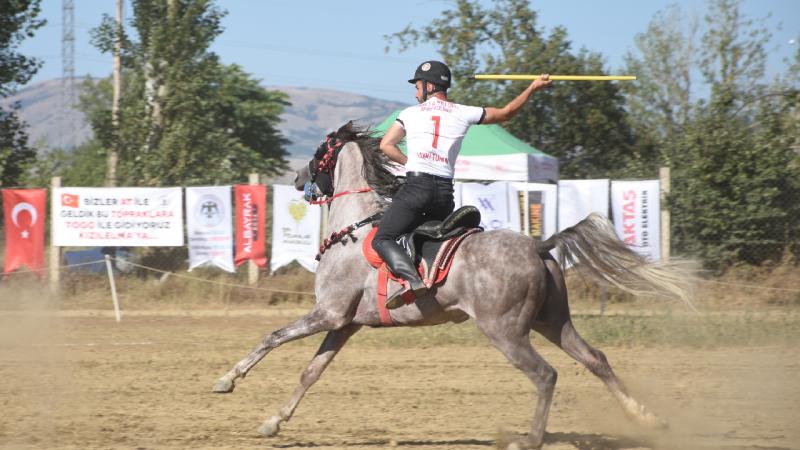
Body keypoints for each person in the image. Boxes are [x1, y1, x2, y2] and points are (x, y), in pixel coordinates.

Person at [373, 60, 551, 309]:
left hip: (417, 189)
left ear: (429, 86)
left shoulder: (409, 114)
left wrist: (410, 162)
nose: (415, 93)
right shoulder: (463, 112)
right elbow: (507, 113)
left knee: (382, 238)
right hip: (444, 196)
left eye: (417, 86)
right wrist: (532, 87)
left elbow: (386, 145)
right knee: (430, 237)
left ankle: (412, 280)